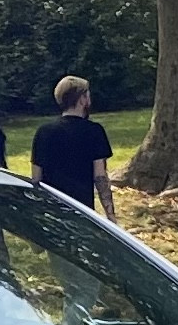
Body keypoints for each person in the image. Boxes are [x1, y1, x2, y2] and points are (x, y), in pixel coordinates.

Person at [30, 76, 116, 220]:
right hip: (82, 209)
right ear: (82, 99)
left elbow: (36, 178)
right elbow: (100, 176)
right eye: (87, 95)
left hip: (52, 211)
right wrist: (110, 214)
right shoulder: (94, 131)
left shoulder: (44, 132)